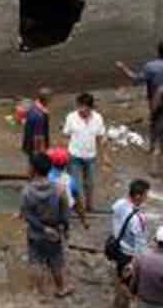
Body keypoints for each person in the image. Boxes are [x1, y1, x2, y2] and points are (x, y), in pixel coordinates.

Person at [21, 151, 73, 297]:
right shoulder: (59, 189)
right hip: (54, 233)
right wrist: (66, 229)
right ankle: (61, 288)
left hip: (35, 232)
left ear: (33, 169)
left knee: (36, 260)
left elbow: (27, 215)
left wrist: (42, 228)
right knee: (56, 261)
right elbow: (65, 213)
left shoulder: (27, 191)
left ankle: (41, 292)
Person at [116, 40, 163, 138]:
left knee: (156, 123)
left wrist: (122, 67)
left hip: (155, 100)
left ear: (157, 51)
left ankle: (157, 143)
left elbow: (134, 78)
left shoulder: (150, 66)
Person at [111, 179, 151, 308]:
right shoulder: (139, 219)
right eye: (146, 195)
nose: (147, 197)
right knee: (127, 282)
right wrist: (133, 264)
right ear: (138, 196)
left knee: (119, 276)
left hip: (118, 247)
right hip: (129, 254)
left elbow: (114, 211)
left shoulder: (119, 204)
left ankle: (117, 303)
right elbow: (140, 246)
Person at [63, 92, 104, 213]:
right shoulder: (71, 117)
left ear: (90, 107)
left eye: (83, 107)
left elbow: (100, 137)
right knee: (74, 183)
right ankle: (76, 206)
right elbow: (66, 135)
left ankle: (89, 206)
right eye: (79, 106)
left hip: (90, 156)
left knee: (90, 183)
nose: (80, 109)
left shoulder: (98, 118)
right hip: (74, 155)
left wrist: (105, 156)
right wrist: (66, 152)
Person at [47, 147, 87, 229]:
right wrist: (83, 221)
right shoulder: (70, 180)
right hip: (64, 214)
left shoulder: (47, 177)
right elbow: (78, 202)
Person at [21, 87, 52, 161]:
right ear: (46, 100)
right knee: (36, 169)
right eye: (50, 98)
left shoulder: (33, 107)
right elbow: (38, 136)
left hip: (29, 145)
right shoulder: (39, 115)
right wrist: (42, 152)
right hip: (35, 148)